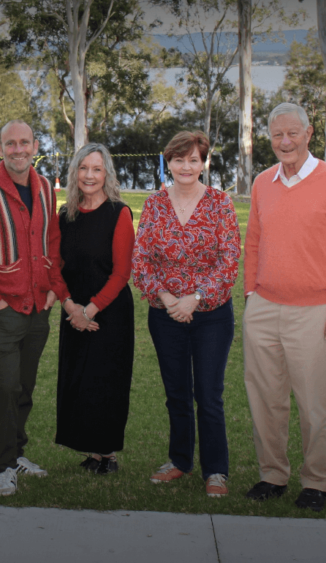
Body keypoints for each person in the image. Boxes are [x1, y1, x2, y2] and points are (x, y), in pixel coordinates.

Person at [242, 103, 326, 512]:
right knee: (265, 399)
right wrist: (249, 296)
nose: (285, 142)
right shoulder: (263, 182)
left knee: (313, 403)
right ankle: (272, 475)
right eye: (277, 135)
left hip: (315, 311)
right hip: (263, 307)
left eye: (293, 133)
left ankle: (316, 481)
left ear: (309, 134)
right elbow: (254, 242)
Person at [133, 131, 240, 497]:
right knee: (176, 392)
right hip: (164, 315)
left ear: (204, 163)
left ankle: (216, 471)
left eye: (194, 160)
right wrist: (164, 296)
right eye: (179, 159)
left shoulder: (220, 203)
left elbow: (229, 262)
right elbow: (141, 259)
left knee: (209, 394)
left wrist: (195, 297)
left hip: (210, 314)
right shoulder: (154, 205)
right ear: (169, 162)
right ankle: (179, 461)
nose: (186, 166)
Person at [0, 120, 68, 496]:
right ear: (0, 146)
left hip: (39, 306)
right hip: (3, 308)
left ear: (35, 144)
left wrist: (55, 289)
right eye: (11, 143)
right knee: (6, 388)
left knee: (25, 386)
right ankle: (3, 466)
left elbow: (51, 240)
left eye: (25, 142)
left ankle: (18, 454)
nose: (19, 149)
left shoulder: (43, 187)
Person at [54, 143, 135, 474]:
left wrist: (90, 310)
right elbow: (55, 267)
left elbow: (121, 273)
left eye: (96, 169)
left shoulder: (119, 213)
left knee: (105, 382)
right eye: (83, 168)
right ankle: (91, 451)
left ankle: (108, 455)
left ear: (107, 174)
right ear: (75, 172)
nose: (89, 175)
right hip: (73, 309)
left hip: (109, 312)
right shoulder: (65, 215)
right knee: (78, 381)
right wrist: (71, 307)